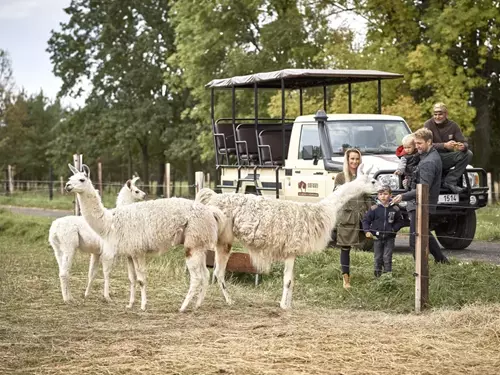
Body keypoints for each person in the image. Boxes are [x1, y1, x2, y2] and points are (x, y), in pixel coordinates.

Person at [392, 128, 450, 264]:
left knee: (415, 238)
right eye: (415, 143)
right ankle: (441, 260)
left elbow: (423, 189)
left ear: (429, 142)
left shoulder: (428, 162)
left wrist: (403, 196)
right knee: (424, 232)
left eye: (419, 143)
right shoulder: (428, 155)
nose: (416, 146)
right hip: (419, 202)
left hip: (422, 204)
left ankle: (419, 271)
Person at [333, 148, 372, 288]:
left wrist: (371, 210)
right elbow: (337, 196)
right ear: (347, 160)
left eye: (357, 159)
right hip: (347, 215)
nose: (354, 161)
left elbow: (367, 195)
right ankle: (346, 278)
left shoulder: (363, 176)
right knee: (345, 247)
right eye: (352, 159)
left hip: (362, 215)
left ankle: (380, 275)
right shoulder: (340, 177)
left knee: (376, 241)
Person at [424, 102, 473, 194]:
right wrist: (444, 145)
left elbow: (464, 141)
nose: (437, 117)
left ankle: (450, 181)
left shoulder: (453, 126)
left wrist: (463, 146)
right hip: (432, 157)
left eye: (440, 114)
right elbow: (425, 145)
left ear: (446, 114)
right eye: (435, 114)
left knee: (468, 153)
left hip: (446, 157)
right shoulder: (428, 125)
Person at [362, 185, 404, 277]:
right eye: (380, 194)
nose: (383, 196)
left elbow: (400, 222)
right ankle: (377, 277)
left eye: (385, 194)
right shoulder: (374, 209)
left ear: (390, 195)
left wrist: (393, 230)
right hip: (377, 238)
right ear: (377, 196)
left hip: (390, 238)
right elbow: (365, 220)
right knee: (377, 258)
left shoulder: (395, 209)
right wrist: (367, 231)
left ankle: (387, 278)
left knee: (387, 257)